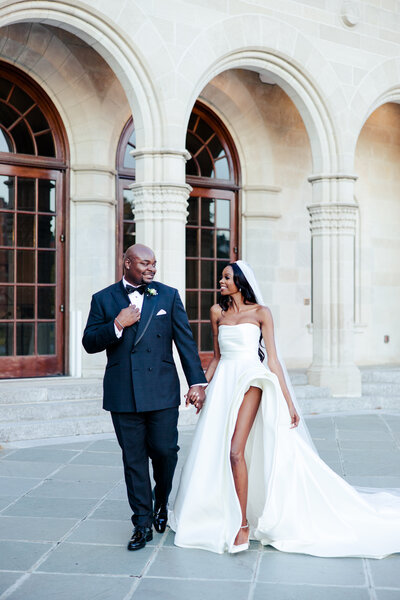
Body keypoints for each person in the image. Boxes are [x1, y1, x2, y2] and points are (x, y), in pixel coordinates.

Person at [169, 260, 400, 557]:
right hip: (223, 384)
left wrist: (290, 403)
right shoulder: (218, 312)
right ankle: (219, 512)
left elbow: (273, 360)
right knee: (214, 449)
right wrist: (200, 385)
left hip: (253, 380)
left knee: (235, 450)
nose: (221, 282)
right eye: (221, 278)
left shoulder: (261, 313)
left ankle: (241, 524)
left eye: (227, 277)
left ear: (241, 282)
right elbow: (215, 357)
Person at [82, 244, 206, 551]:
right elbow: (88, 342)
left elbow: (185, 342)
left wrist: (197, 383)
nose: (151, 268)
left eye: (154, 263)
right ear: (127, 263)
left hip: (162, 389)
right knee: (133, 459)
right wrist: (117, 324)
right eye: (144, 263)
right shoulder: (104, 299)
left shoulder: (168, 295)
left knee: (165, 451)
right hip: (123, 391)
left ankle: (161, 502)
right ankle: (141, 522)